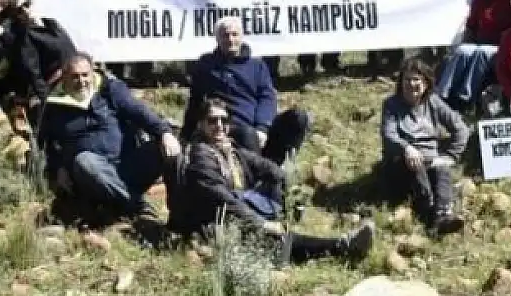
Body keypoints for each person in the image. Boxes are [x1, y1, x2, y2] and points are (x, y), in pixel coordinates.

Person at [170, 98, 376, 262]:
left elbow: (266, 167)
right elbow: (223, 201)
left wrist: (291, 191)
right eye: (212, 121)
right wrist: (261, 223)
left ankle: (329, 246)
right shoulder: (200, 155)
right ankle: (342, 247)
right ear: (200, 125)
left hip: (238, 212)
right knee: (279, 238)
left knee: (275, 188)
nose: (220, 126)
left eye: (224, 121)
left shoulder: (230, 150)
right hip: (214, 224)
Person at [38, 53, 180, 222]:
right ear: (64, 78)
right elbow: (48, 145)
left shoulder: (110, 89)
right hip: (91, 175)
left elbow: (139, 112)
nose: (81, 81)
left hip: (127, 165)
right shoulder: (54, 105)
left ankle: (179, 215)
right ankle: (136, 206)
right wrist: (58, 168)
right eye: (75, 77)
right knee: (84, 162)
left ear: (92, 73)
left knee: (170, 148)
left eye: (85, 75)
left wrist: (165, 133)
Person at [183, 17, 310, 165]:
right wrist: (185, 136)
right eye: (225, 35)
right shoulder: (206, 65)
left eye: (234, 34)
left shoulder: (257, 66)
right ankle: (256, 176)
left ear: (241, 37)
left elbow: (267, 98)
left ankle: (277, 166)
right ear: (217, 39)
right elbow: (195, 101)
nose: (230, 39)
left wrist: (262, 128)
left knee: (298, 118)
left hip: (258, 128)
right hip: (227, 127)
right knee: (246, 133)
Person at [382, 58, 470, 233]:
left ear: (426, 83)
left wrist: (451, 156)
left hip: (431, 160)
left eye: (417, 80)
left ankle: (443, 214)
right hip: (401, 161)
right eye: (407, 79)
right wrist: (407, 148)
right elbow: (388, 135)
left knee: (442, 168)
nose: (412, 84)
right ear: (401, 82)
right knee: (416, 166)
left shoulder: (434, 102)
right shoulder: (391, 105)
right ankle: (430, 213)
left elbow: (461, 128)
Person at [436, 0, 511, 110]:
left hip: (506, 47)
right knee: (462, 50)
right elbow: (471, 26)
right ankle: (441, 95)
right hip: (481, 43)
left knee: (481, 52)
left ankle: (465, 98)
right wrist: (467, 41)